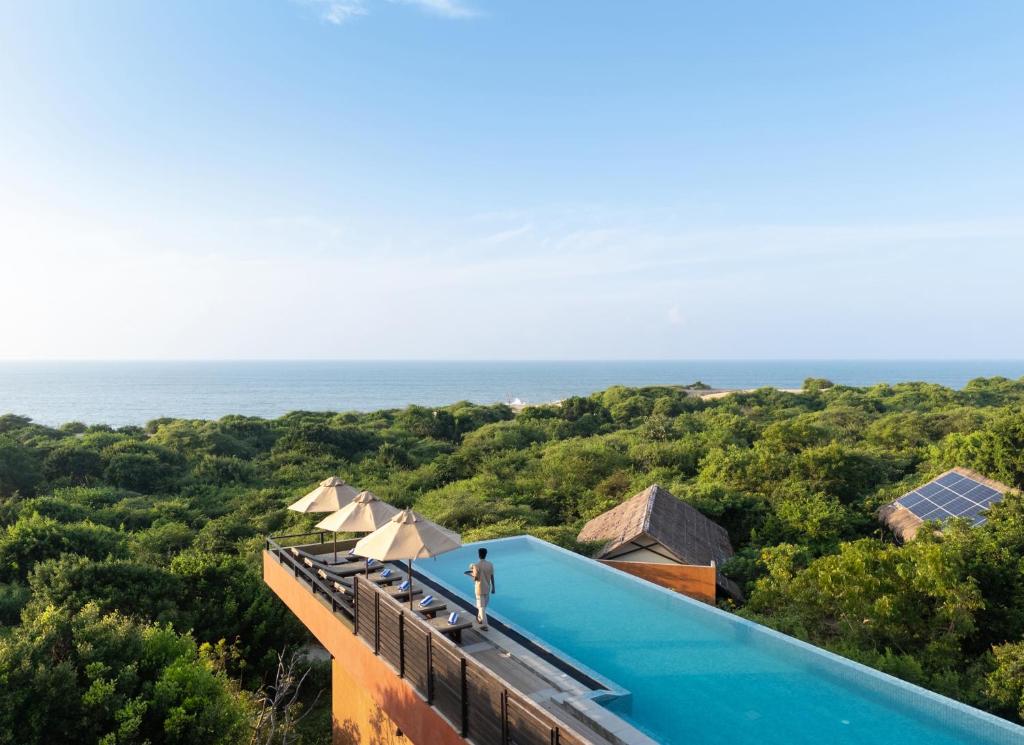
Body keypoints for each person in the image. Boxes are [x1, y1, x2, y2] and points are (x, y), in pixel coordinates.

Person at [468, 547, 495, 630]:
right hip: (487, 588)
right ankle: (480, 619)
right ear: (485, 554)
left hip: (479, 589)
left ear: (479, 555)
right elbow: (492, 576)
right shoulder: (490, 564)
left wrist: (470, 573)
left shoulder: (476, 565)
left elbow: (475, 578)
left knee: (481, 607)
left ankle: (484, 625)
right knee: (482, 607)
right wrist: (493, 587)